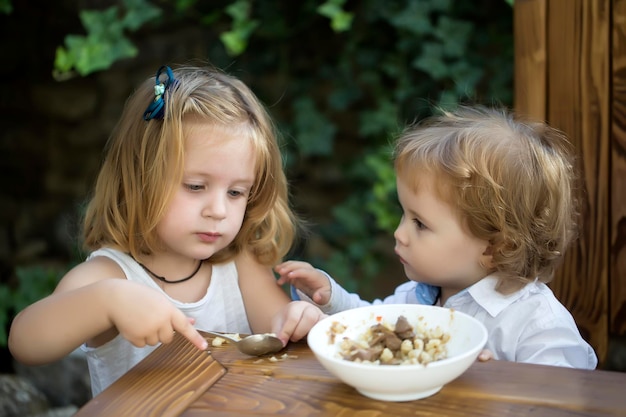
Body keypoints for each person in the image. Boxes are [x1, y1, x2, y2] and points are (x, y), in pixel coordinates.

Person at [8, 64, 325, 396]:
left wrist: (297, 318)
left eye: (236, 193)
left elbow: (279, 334)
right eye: (195, 186)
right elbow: (25, 343)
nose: (218, 210)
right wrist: (108, 300)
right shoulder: (110, 276)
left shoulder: (240, 265)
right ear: (141, 179)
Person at [275, 105, 598, 369]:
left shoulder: (536, 325)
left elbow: (566, 397)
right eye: (404, 214)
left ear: (498, 246)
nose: (399, 233)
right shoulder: (419, 296)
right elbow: (373, 325)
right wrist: (331, 299)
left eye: (420, 224)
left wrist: (494, 380)